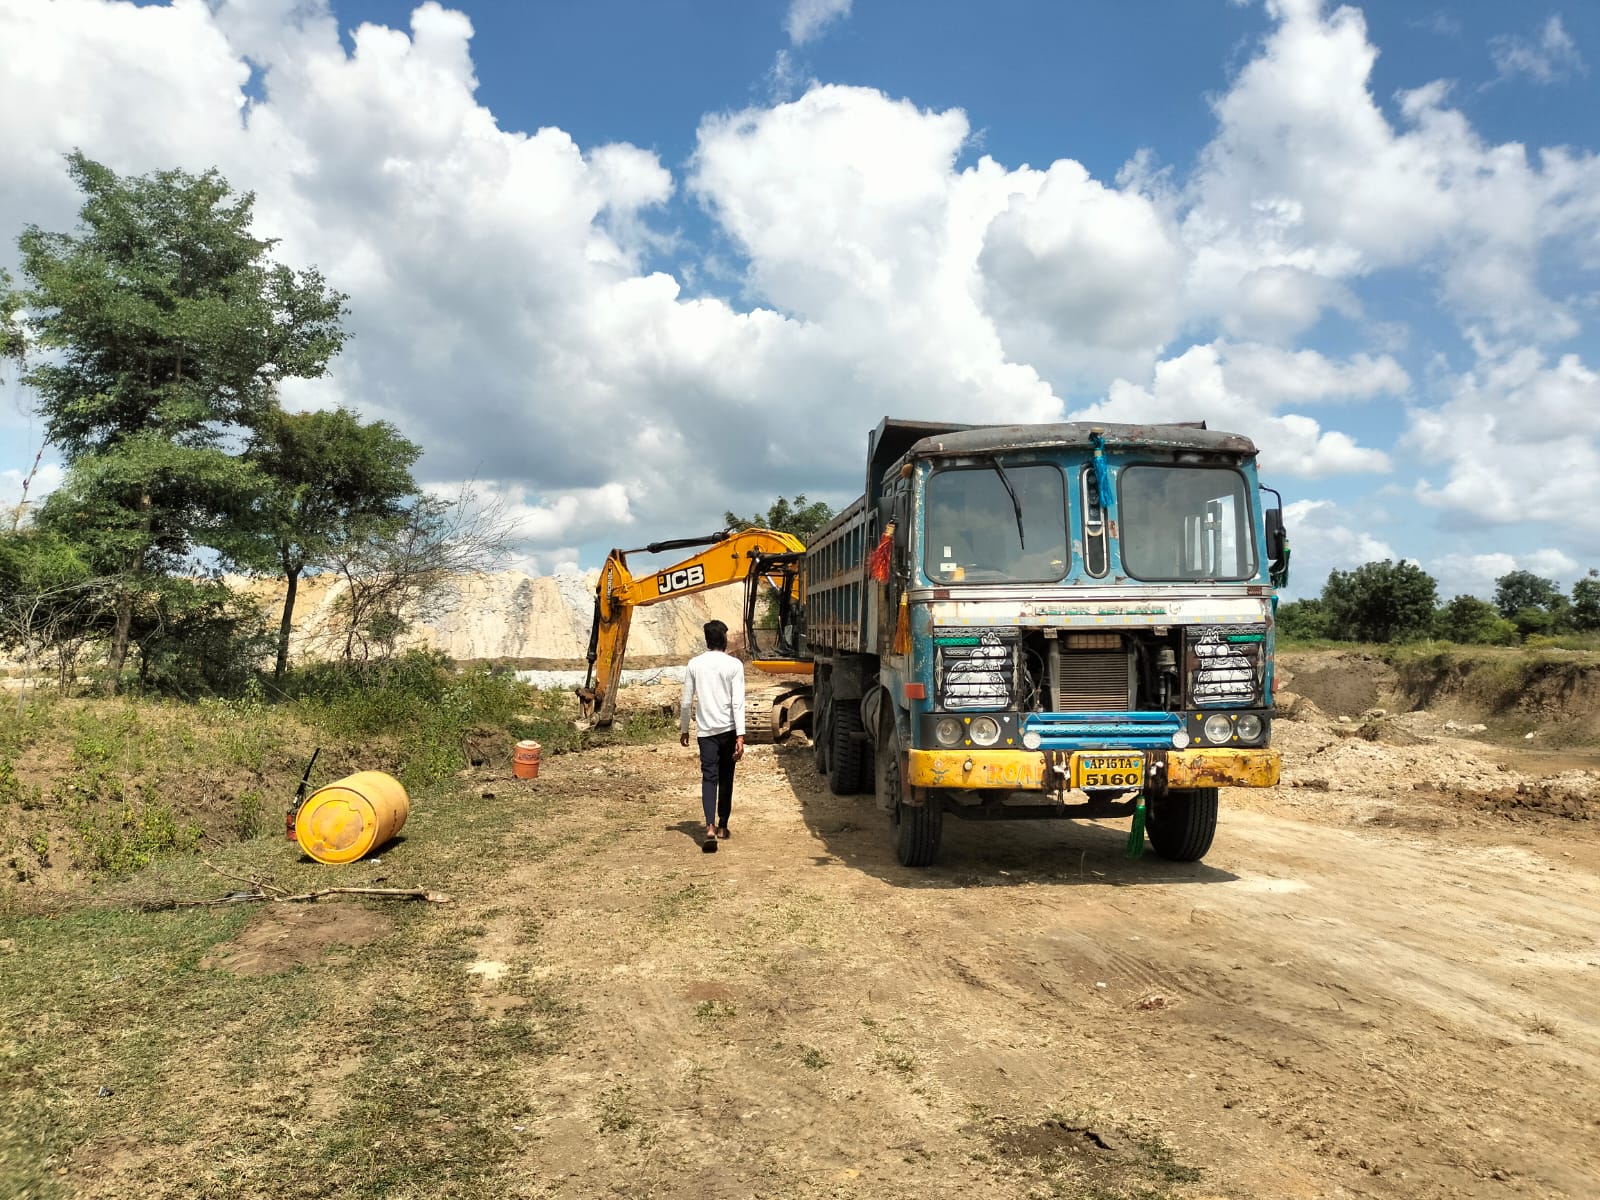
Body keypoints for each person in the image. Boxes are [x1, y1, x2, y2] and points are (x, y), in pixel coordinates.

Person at [679, 619, 745, 852]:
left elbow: (686, 702)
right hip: (728, 730)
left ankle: (709, 826)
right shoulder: (734, 665)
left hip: (706, 733)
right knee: (727, 776)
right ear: (724, 640)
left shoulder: (694, 664)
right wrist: (741, 735)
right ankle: (723, 826)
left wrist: (684, 728)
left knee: (709, 778)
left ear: (707, 640)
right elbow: (738, 702)